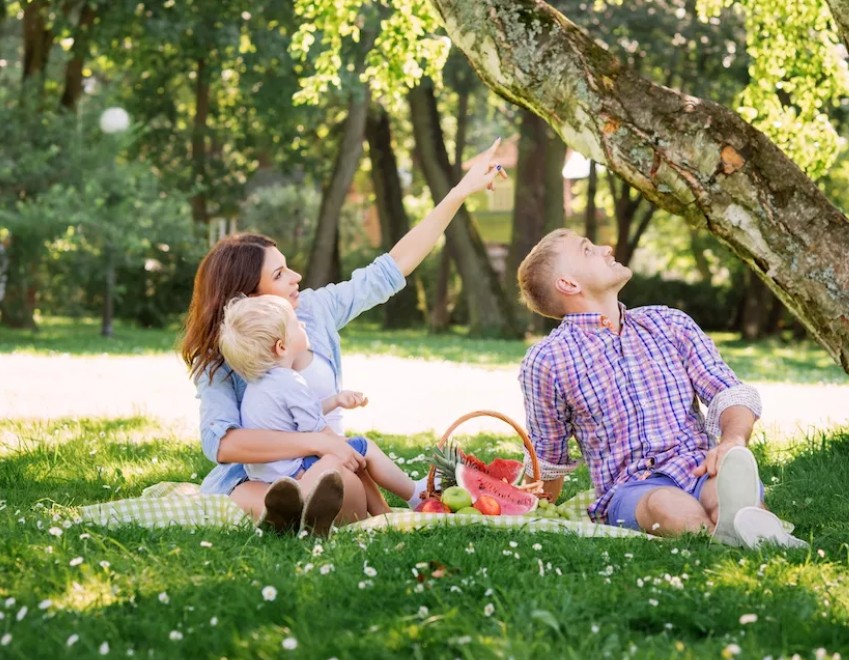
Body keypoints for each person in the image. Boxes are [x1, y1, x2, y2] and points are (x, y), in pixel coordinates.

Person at [180, 139, 507, 531]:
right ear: (246, 295)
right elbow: (223, 444)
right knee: (256, 497)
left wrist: (459, 193)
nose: (296, 277)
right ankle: (290, 510)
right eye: (280, 274)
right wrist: (319, 442)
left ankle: (297, 513)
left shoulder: (313, 311)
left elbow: (392, 268)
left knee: (341, 486)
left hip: (325, 467)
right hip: (255, 478)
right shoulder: (220, 356)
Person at [516, 229, 806, 549]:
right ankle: (735, 539)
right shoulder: (548, 360)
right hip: (633, 490)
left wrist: (733, 440)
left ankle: (742, 522)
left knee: (721, 492)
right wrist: (522, 504)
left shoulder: (668, 324)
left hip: (698, 467)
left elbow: (728, 392)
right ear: (568, 284)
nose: (606, 248)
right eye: (587, 250)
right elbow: (548, 453)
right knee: (666, 506)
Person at [217, 293, 424, 534]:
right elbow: (318, 431)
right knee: (362, 447)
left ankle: (313, 509)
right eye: (295, 324)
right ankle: (408, 500)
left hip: (267, 474)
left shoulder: (258, 385)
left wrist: (335, 401)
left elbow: (299, 415)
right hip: (296, 470)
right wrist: (343, 447)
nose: (302, 325)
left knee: (350, 453)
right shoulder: (291, 382)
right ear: (282, 346)